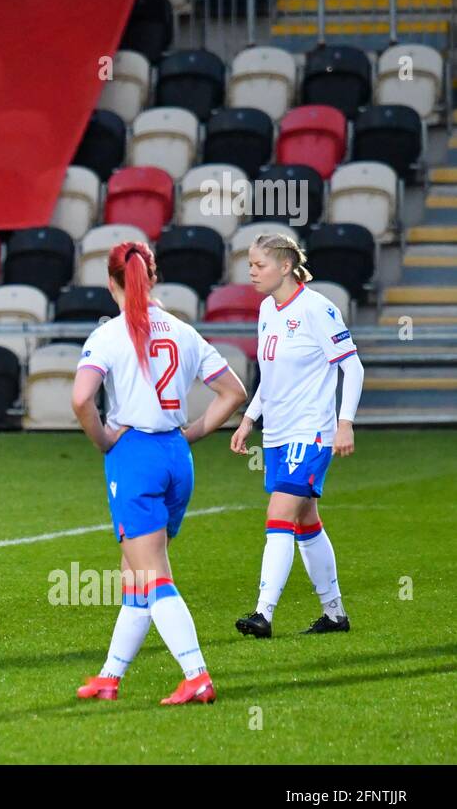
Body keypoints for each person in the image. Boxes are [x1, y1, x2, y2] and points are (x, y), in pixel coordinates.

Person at [71, 241, 246, 704]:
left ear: (112, 283)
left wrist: (104, 441)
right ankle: (110, 677)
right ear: (153, 278)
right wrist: (187, 435)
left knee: (152, 576)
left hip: (136, 459)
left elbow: (80, 399)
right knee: (136, 575)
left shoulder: (108, 334)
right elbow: (234, 393)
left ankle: (196, 675)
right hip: (175, 457)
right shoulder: (183, 331)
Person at [231, 232, 363, 638]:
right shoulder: (268, 309)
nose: (251, 272)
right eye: (250, 265)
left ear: (285, 266)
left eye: (259, 265)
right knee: (307, 523)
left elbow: (352, 367)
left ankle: (263, 614)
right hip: (278, 434)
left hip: (311, 431)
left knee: (279, 515)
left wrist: (345, 422)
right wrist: (249, 419)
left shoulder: (317, 310)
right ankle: (335, 615)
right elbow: (269, 378)